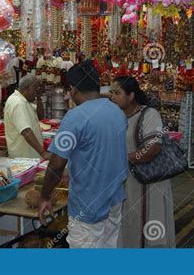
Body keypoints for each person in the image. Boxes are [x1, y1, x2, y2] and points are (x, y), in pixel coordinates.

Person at [38, 60, 129, 248]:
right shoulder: (117, 112)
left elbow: (56, 164)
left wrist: (45, 196)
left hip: (88, 206)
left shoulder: (75, 117)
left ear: (73, 89)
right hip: (114, 199)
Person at [111, 76, 176, 248]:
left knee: (149, 226)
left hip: (148, 184)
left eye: (117, 93)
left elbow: (152, 149)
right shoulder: (118, 116)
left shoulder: (149, 114)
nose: (113, 97)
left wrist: (121, 159)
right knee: (130, 225)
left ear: (131, 95)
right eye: (112, 93)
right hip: (128, 182)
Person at [4, 75, 51, 159]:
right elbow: (25, 130)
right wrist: (43, 153)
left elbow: (40, 116)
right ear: (28, 88)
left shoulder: (24, 100)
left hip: (29, 156)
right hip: (24, 158)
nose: (36, 93)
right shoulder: (18, 103)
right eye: (35, 90)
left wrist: (39, 97)